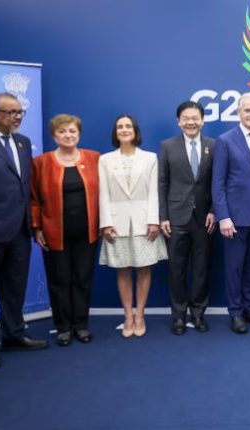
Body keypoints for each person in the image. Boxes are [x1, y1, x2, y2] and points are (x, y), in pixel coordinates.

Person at [0, 93, 48, 369]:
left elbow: (24, 188)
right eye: (11, 112)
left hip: (19, 231)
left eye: (20, 112)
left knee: (14, 289)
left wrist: (32, 225)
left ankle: (14, 335)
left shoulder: (23, 142)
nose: (18, 117)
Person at [31, 114, 101, 346]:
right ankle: (63, 327)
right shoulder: (41, 162)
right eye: (62, 131)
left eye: (72, 131)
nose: (68, 135)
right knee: (59, 280)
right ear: (54, 136)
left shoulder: (94, 158)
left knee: (83, 279)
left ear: (79, 134)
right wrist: (37, 228)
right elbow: (33, 199)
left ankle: (81, 325)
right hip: (54, 233)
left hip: (87, 232)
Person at [99, 115, 167, 338]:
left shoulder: (150, 158)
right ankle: (128, 315)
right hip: (116, 223)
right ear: (115, 132)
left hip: (144, 222)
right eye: (120, 126)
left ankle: (140, 315)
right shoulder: (105, 160)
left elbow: (154, 192)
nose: (124, 129)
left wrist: (153, 220)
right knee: (123, 270)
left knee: (144, 269)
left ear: (135, 130)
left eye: (128, 126)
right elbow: (103, 193)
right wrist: (106, 223)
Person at [212, 92, 250, 334]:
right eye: (247, 110)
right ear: (238, 112)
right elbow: (218, 183)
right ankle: (235, 312)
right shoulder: (225, 141)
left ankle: (249, 308)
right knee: (234, 268)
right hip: (235, 219)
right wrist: (223, 217)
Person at [159, 101, 216, 335]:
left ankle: (198, 314)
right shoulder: (167, 146)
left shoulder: (213, 145)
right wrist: (163, 216)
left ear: (202, 120)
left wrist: (214, 210)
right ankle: (179, 316)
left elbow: (218, 182)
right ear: (178, 121)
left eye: (195, 118)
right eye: (186, 118)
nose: (191, 122)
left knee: (201, 269)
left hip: (204, 218)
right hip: (176, 217)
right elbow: (162, 182)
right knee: (176, 270)